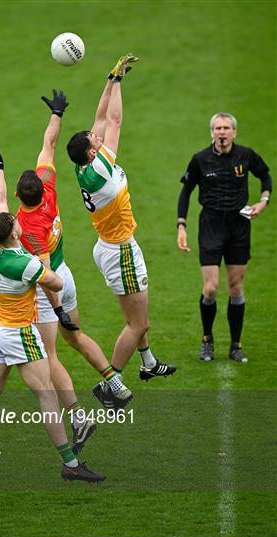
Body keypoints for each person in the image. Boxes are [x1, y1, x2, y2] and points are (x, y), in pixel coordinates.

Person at [0, 145, 105, 495]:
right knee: (46, 396)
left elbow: (0, 199)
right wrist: (43, 264)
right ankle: (71, 465)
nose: (17, 218)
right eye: (16, 223)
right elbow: (56, 282)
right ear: (14, 234)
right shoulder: (23, 263)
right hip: (18, 334)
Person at [12, 89, 132, 417]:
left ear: (17, 196)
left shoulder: (30, 229)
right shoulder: (48, 188)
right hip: (67, 275)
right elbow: (49, 145)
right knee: (76, 338)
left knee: (50, 354)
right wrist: (57, 114)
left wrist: (58, 309)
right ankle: (114, 381)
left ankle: (78, 417)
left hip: (49, 285)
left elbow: (45, 273)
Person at [66, 54, 176, 406]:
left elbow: (100, 118)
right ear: (91, 151)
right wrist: (120, 83)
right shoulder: (100, 170)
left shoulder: (87, 165)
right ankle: (109, 384)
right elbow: (113, 119)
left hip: (112, 245)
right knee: (138, 324)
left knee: (137, 316)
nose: (96, 135)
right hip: (120, 250)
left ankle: (148, 363)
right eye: (92, 139)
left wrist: (111, 79)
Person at [176, 112, 272, 362]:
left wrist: (263, 201)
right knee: (211, 288)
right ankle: (207, 340)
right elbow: (186, 192)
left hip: (239, 226)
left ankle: (235, 346)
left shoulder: (246, 155)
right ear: (212, 132)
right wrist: (181, 225)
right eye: (218, 128)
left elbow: (266, 175)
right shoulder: (200, 159)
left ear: (234, 132)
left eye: (226, 128)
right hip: (210, 225)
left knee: (236, 287)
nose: (222, 132)